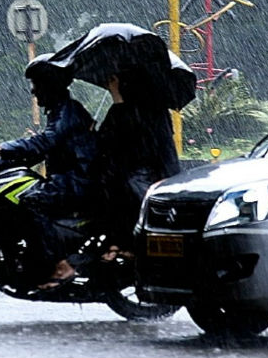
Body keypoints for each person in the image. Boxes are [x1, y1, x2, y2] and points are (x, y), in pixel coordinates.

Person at [43, 70, 181, 287]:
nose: (110, 81)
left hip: (137, 180)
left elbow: (120, 140)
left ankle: (116, 245)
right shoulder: (143, 109)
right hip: (134, 174)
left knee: (107, 191)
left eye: (116, 79)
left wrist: (117, 98)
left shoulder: (140, 111)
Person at [0, 60, 98, 288]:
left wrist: (5, 147)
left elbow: (45, 141)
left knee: (30, 203)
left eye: (37, 84)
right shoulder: (60, 111)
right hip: (70, 177)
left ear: (51, 86)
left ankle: (60, 265)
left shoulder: (67, 111)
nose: (33, 90)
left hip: (77, 180)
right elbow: (42, 151)